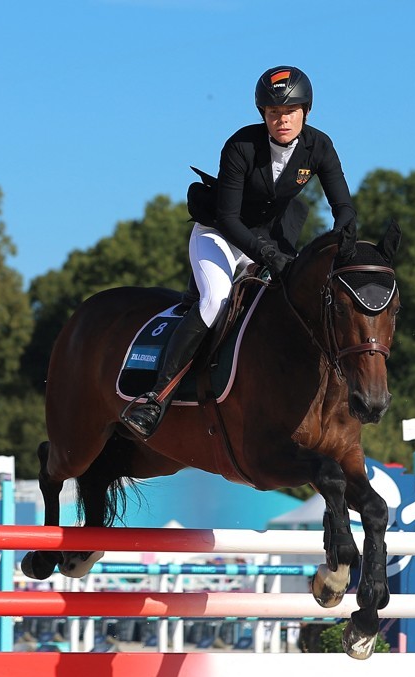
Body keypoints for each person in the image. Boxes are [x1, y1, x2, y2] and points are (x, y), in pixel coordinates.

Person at [122, 65, 356, 438]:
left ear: (305, 112)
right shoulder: (241, 146)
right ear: (263, 114)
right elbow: (230, 219)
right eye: (274, 113)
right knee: (216, 301)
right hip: (220, 236)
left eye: (290, 112)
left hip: (270, 240)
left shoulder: (320, 146)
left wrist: (344, 236)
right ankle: (156, 397)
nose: (282, 120)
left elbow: (342, 205)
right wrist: (270, 255)